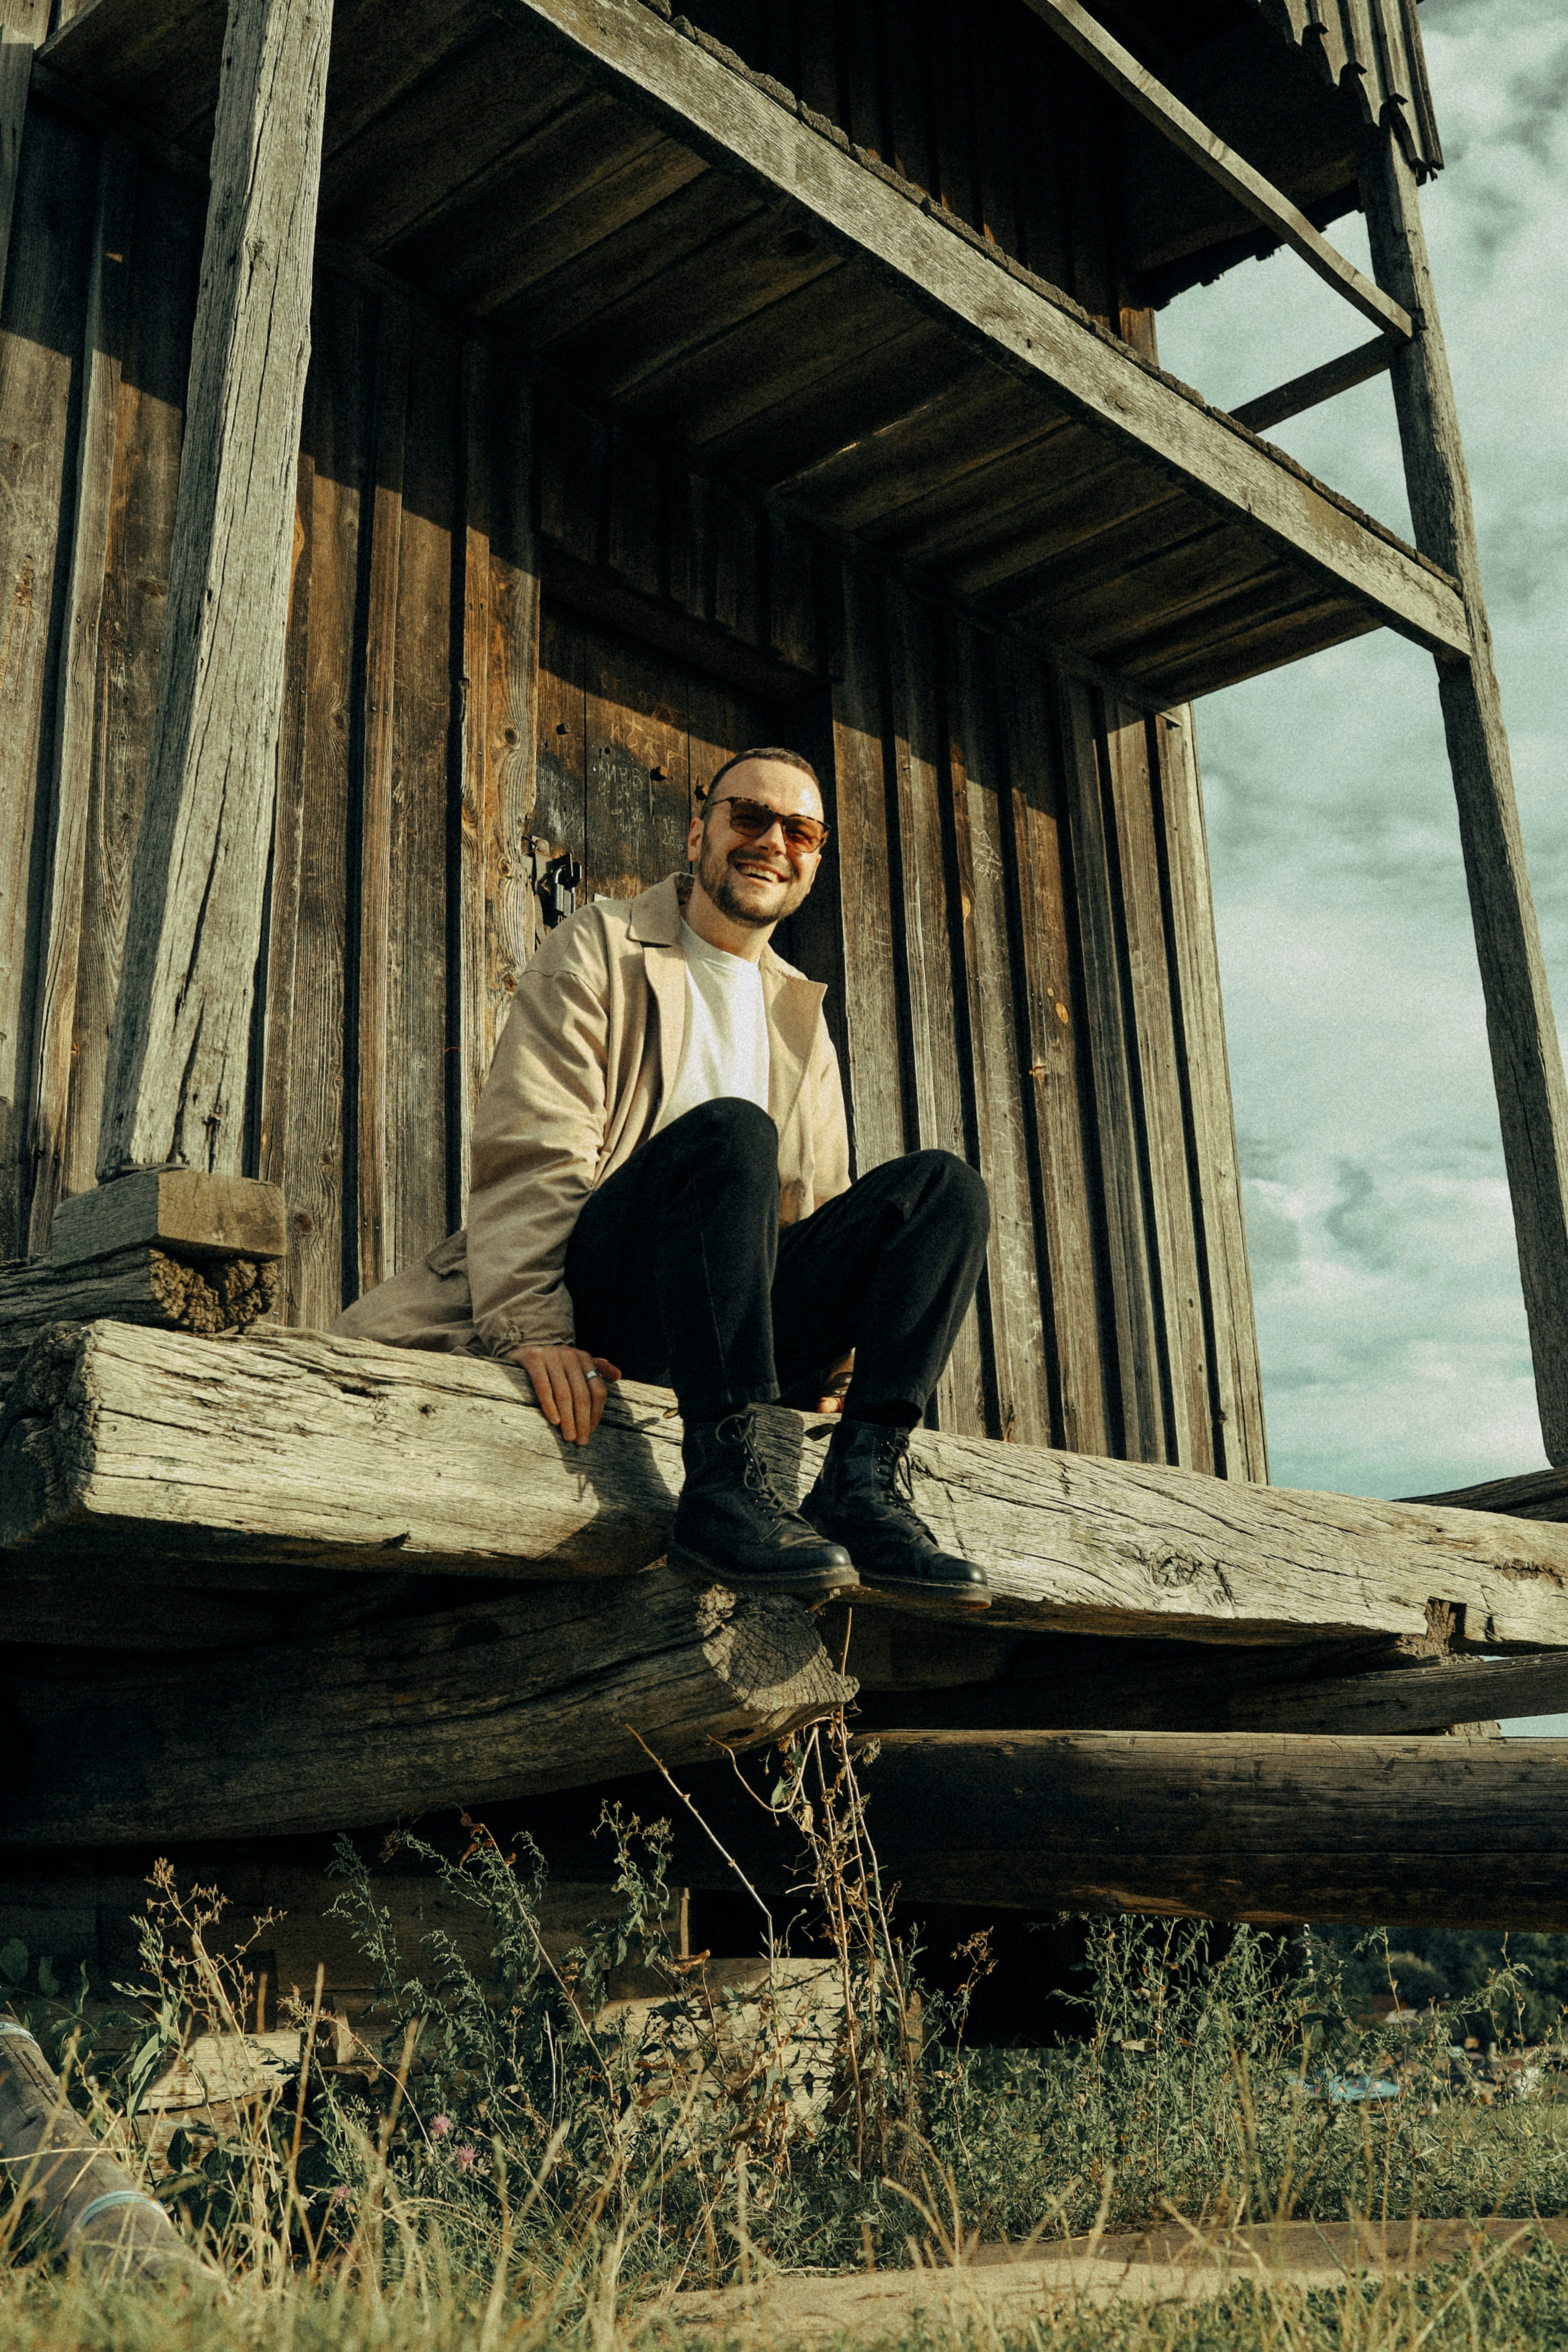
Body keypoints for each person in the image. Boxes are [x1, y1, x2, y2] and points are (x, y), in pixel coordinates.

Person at [335, 747, 991, 1613]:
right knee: (731, 1135)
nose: (771, 843)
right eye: (747, 817)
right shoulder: (601, 945)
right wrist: (535, 1328)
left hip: (731, 1325)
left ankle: (862, 1484)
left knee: (944, 1188)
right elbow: (532, 1150)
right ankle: (722, 1490)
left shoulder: (797, 1009)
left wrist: (837, 1363)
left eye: (798, 831)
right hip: (605, 1291)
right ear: (700, 830)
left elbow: (822, 1208)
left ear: (814, 859)